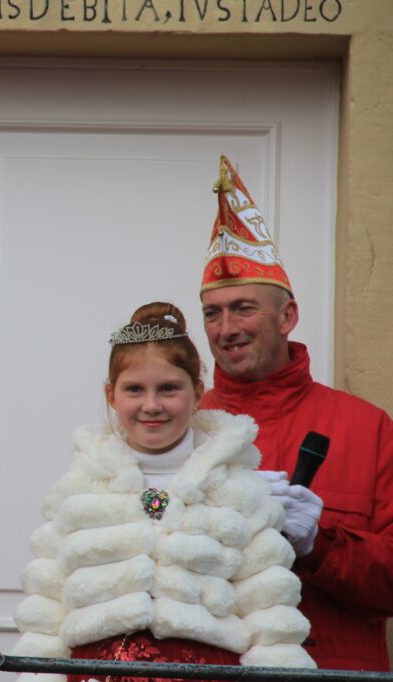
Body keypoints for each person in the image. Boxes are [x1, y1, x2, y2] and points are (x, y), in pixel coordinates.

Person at [11, 302, 315, 681]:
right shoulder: (79, 490)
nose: (151, 405)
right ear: (111, 395)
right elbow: (46, 617)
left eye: (169, 389)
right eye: (134, 389)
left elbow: (270, 616)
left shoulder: (238, 491)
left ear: (198, 391)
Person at [198, 155, 393, 671]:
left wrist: (320, 545)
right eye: (213, 313)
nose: (226, 329)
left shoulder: (368, 428)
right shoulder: (181, 426)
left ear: (288, 316)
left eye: (244, 308)